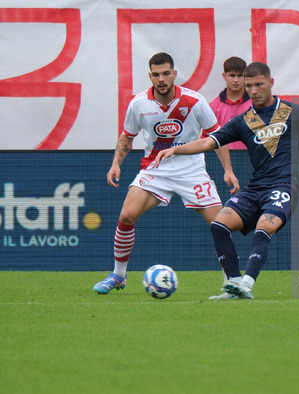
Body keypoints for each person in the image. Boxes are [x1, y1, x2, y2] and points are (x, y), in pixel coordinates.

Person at [154, 62, 299, 300]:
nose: (253, 90)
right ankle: (233, 285)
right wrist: (175, 150)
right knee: (219, 224)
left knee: (264, 227)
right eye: (249, 85)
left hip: (284, 185)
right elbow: (208, 142)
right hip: (255, 187)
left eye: (259, 84)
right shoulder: (242, 121)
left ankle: (247, 285)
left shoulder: (294, 112)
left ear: (271, 83)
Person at [93, 52, 239, 294]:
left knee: (220, 224)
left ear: (174, 74)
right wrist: (116, 163)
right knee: (127, 215)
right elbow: (127, 138)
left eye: (166, 74)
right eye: (156, 74)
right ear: (150, 76)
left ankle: (231, 281)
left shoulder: (195, 101)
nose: (161, 79)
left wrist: (228, 170)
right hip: (156, 170)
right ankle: (118, 275)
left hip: (192, 170)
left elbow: (217, 137)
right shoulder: (139, 103)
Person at [209, 56, 251, 149]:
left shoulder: (254, 103)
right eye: (232, 75)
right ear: (224, 76)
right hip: (222, 162)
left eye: (240, 75)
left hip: (251, 159)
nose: (236, 80)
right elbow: (207, 137)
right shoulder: (215, 105)